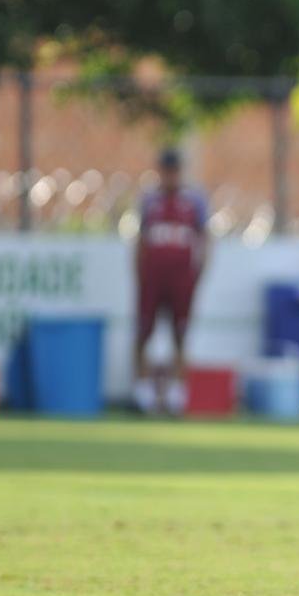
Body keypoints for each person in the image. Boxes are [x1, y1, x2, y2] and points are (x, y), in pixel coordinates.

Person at [133, 148, 209, 414]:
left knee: (180, 333)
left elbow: (205, 239)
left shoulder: (194, 202)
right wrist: (139, 275)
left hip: (181, 278)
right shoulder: (149, 201)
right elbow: (140, 241)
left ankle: (177, 395)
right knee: (144, 331)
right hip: (153, 278)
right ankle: (143, 393)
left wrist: (199, 273)